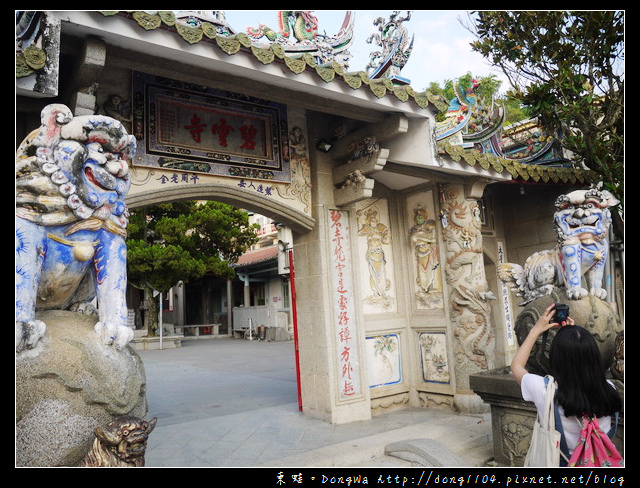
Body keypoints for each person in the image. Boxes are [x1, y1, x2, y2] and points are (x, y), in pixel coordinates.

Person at [511, 303, 622, 465]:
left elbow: (517, 367)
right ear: (594, 357)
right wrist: (576, 337)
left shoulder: (545, 390)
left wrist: (536, 330)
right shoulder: (609, 389)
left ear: (556, 358)